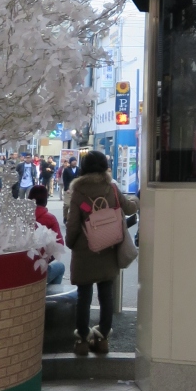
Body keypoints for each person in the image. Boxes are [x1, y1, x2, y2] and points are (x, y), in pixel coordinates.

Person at [65, 150, 138, 356]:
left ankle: (81, 341)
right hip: (108, 247)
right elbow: (130, 208)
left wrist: (71, 243)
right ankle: (103, 338)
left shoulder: (78, 192)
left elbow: (72, 225)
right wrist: (138, 199)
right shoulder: (112, 188)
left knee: (84, 296)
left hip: (84, 251)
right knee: (106, 295)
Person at [28, 185, 65, 286]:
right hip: (39, 271)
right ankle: (48, 294)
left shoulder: (20, 217)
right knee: (60, 267)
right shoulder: (50, 218)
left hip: (22, 270)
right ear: (45, 200)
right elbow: (59, 245)